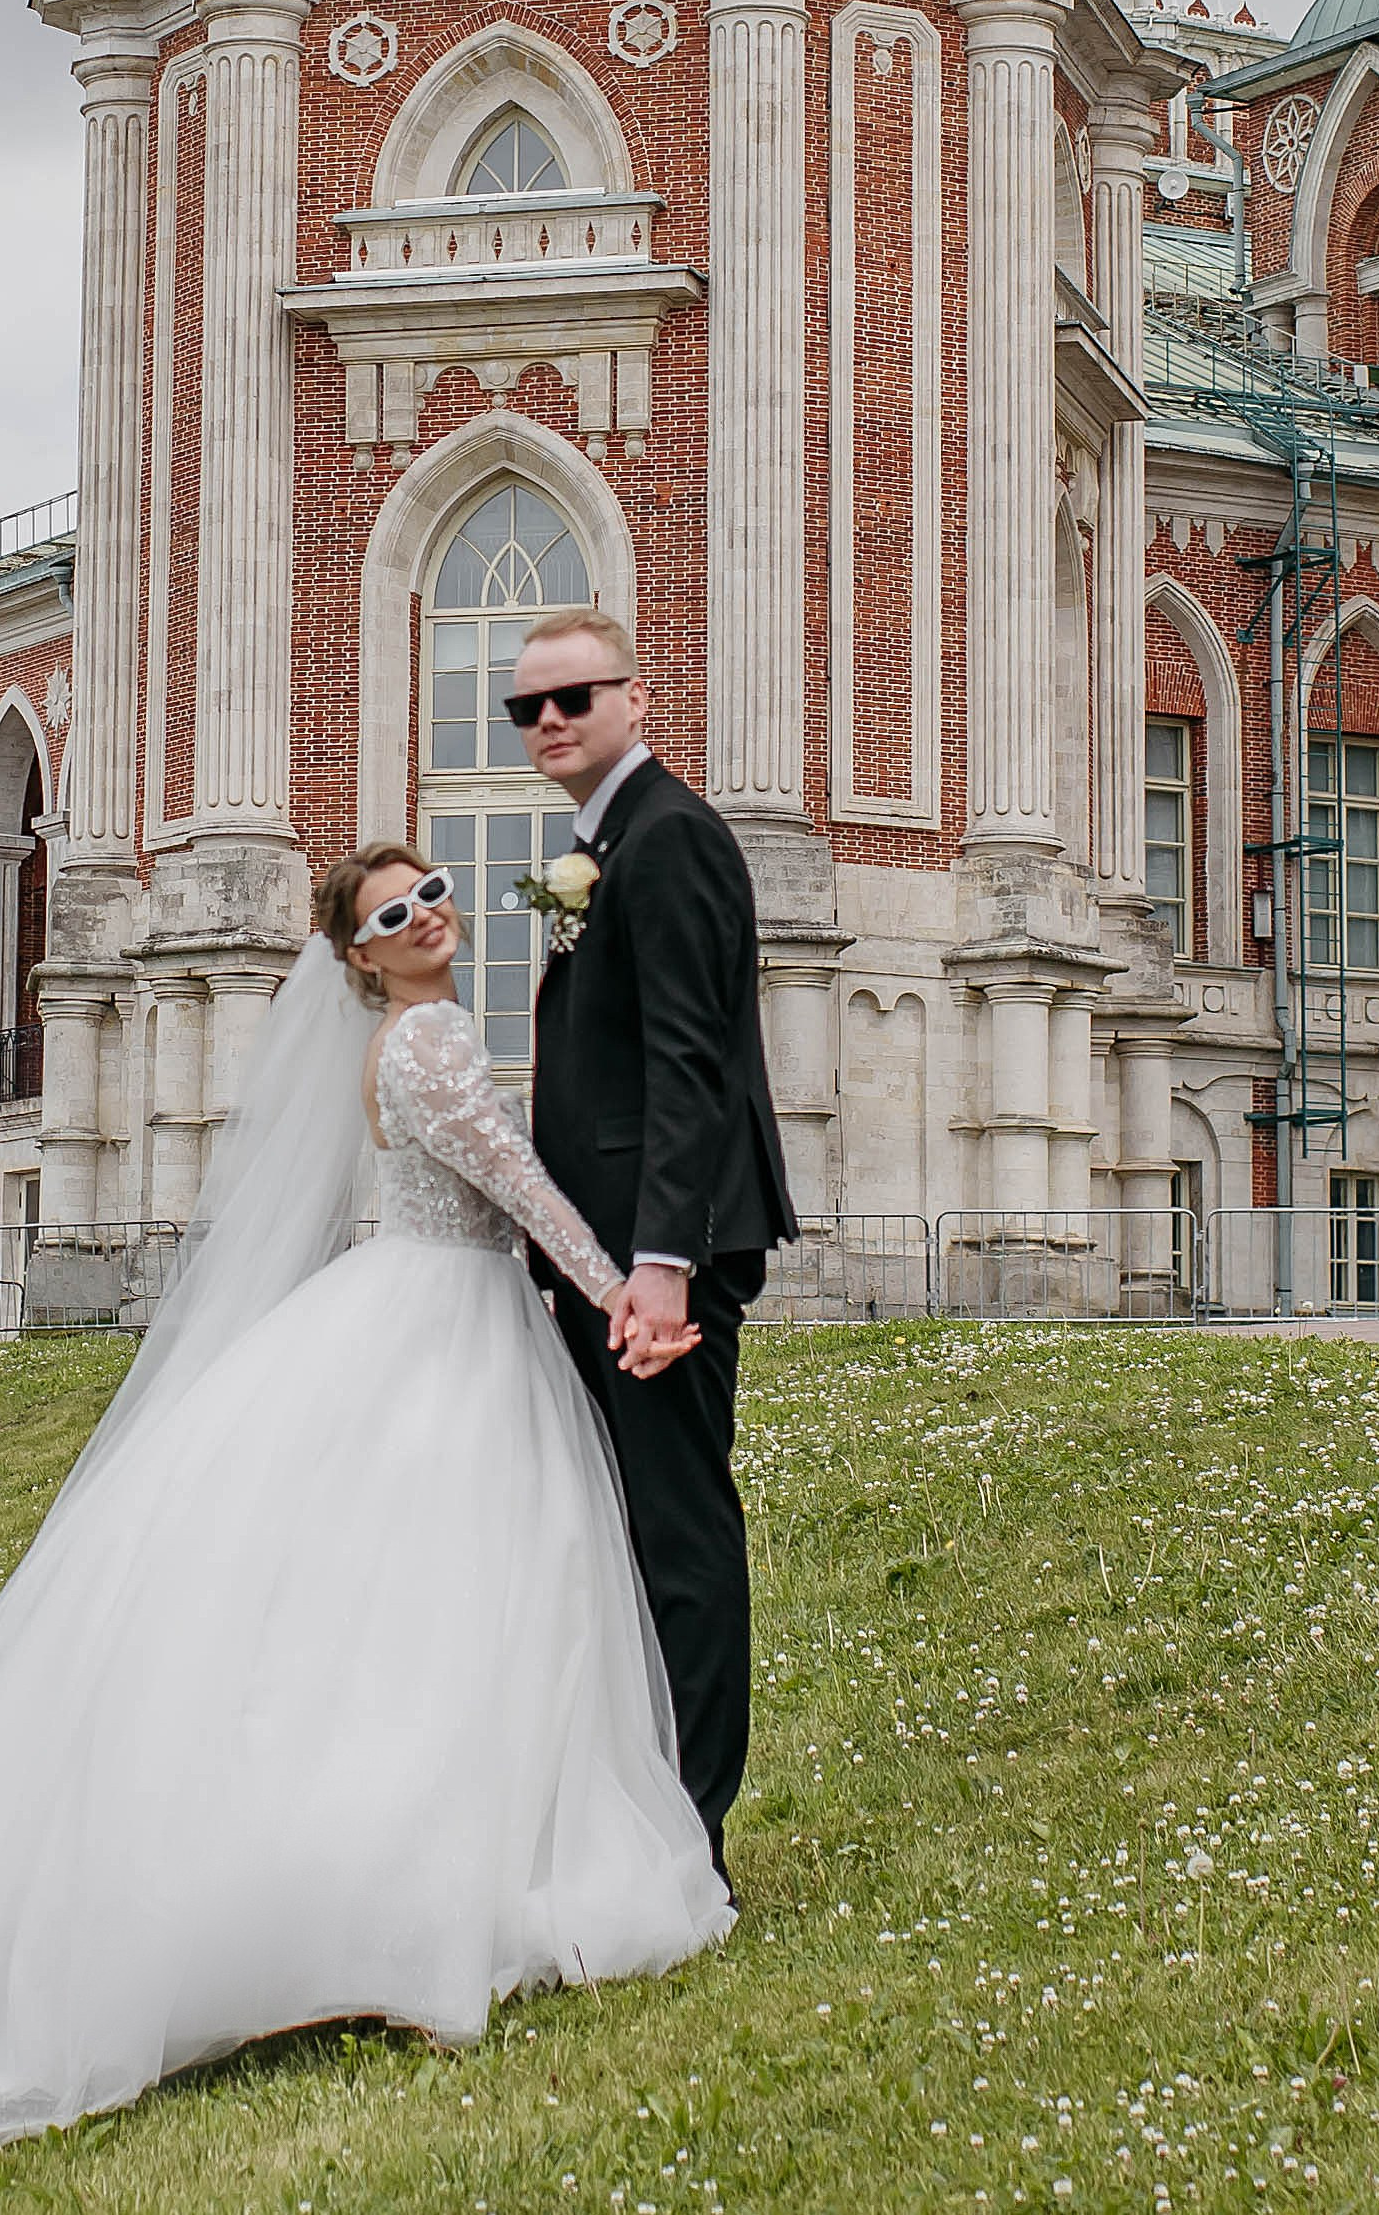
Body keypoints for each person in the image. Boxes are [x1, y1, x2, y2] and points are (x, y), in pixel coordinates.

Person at [0, 847, 728, 2168]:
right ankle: (414, 1900)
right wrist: (624, 1285)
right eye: (393, 911)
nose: (427, 911)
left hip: (423, 1306)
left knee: (404, 1610)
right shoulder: (431, 1037)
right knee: (466, 1600)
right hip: (447, 1324)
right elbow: (515, 1178)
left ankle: (403, 1889)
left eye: (434, 886)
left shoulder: (396, 1037)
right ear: (359, 956)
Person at [509, 606, 795, 1889]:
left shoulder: (669, 836)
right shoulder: (601, 843)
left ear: (635, 699)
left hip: (652, 1263)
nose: (549, 720)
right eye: (526, 706)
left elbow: (690, 1059)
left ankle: (693, 1837)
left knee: (676, 1530)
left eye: (573, 695)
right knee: (628, 1527)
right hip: (608, 1258)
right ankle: (644, 1811)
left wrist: (660, 1262)